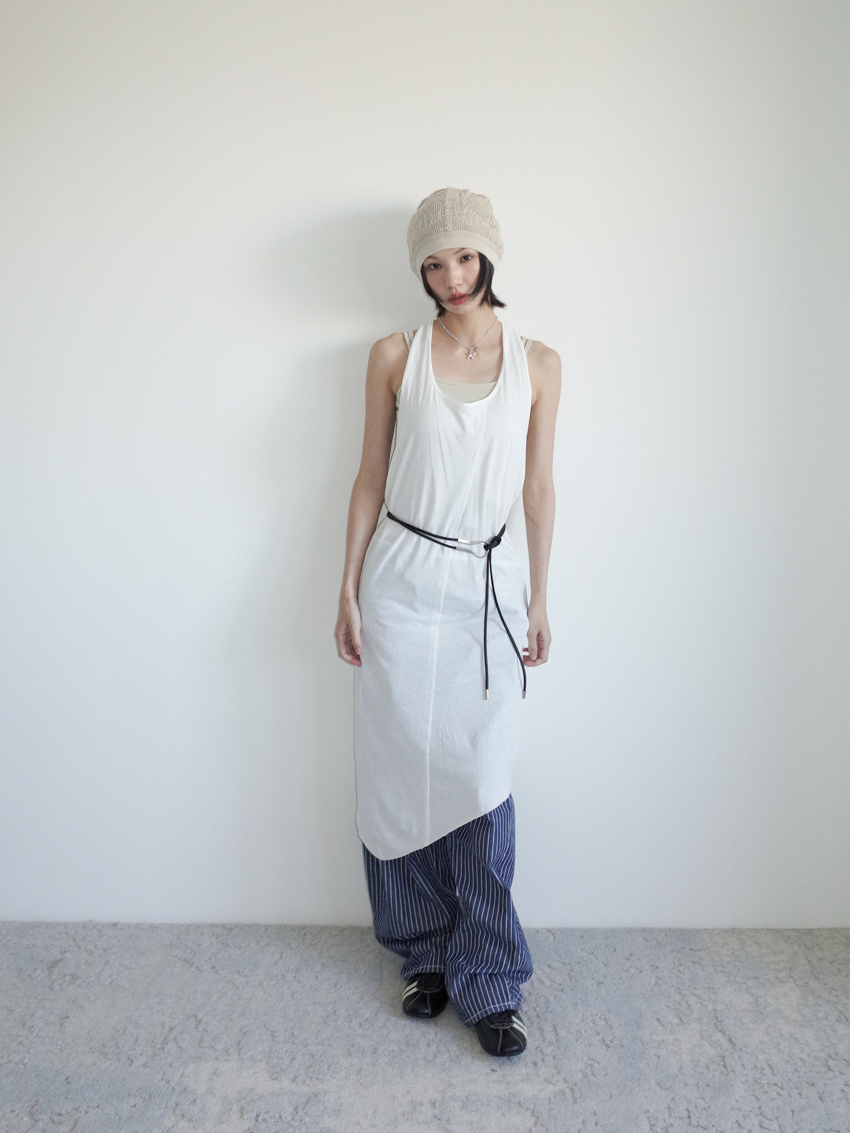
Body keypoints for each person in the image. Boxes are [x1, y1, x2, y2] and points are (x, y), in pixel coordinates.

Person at [335, 187, 560, 1057]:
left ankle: (491, 979)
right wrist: (346, 587)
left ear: (488, 256)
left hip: (488, 588)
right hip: (401, 579)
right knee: (398, 772)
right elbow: (368, 477)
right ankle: (422, 953)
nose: (452, 277)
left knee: (481, 779)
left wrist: (541, 596)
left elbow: (538, 488)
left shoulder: (540, 364)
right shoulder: (395, 355)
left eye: (464, 257)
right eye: (434, 263)